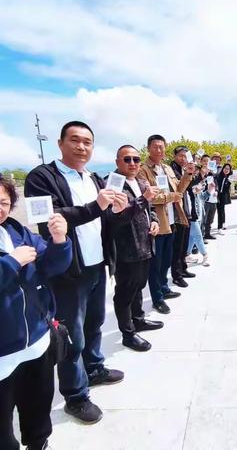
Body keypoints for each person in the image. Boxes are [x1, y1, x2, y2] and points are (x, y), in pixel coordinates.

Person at [24, 121, 127, 424]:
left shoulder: (94, 178)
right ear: (60, 143)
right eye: (75, 140)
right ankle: (75, 395)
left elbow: (102, 218)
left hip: (97, 264)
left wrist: (115, 212)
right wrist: (97, 206)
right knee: (71, 336)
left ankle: (94, 368)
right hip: (68, 269)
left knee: (95, 323)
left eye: (87, 142)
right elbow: (48, 219)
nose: (82, 147)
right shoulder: (42, 177)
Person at [0, 176, 72, 450]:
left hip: (36, 343)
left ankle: (39, 443)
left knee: (38, 404)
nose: (0, 208)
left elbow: (52, 266)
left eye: (4, 202)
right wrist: (10, 262)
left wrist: (58, 239)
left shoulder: (17, 232)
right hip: (2, 353)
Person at [111, 146, 164, 352]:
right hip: (127, 248)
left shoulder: (142, 182)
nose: (132, 163)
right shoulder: (114, 184)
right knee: (125, 291)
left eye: (136, 159)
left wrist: (154, 221)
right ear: (118, 162)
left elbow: (149, 210)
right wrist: (144, 199)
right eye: (127, 159)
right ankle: (128, 333)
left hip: (145, 244)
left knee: (139, 285)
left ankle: (138, 319)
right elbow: (119, 216)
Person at [137, 135, 188, 312]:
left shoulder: (166, 168)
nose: (159, 150)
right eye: (155, 147)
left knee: (166, 260)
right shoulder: (142, 170)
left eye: (162, 147)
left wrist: (188, 175)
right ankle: (157, 297)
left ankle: (164, 288)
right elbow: (148, 198)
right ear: (148, 148)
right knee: (155, 264)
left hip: (172, 220)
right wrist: (170, 197)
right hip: (157, 223)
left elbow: (179, 191)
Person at [170, 146, 196, 287]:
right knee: (177, 246)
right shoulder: (172, 170)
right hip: (177, 212)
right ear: (174, 156)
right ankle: (176, 275)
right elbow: (181, 187)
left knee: (184, 243)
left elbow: (190, 185)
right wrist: (188, 173)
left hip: (186, 209)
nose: (183, 158)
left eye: (185, 156)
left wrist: (200, 174)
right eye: (180, 155)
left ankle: (183, 268)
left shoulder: (184, 169)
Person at [186, 167, 210, 267]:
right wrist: (194, 191)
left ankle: (186, 254)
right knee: (198, 236)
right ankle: (205, 255)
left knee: (192, 236)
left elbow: (202, 198)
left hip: (198, 215)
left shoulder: (198, 187)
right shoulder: (188, 187)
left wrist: (209, 191)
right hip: (191, 215)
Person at [217, 163, 233, 231]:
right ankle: (219, 226)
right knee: (218, 211)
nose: (226, 170)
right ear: (223, 168)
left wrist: (229, 182)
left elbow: (226, 189)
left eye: (228, 169)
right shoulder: (218, 176)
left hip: (223, 196)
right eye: (225, 168)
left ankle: (221, 225)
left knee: (221, 210)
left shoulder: (229, 178)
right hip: (216, 195)